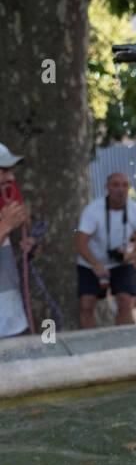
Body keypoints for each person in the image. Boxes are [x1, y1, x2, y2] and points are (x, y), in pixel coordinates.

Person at [76, 172, 136, 328]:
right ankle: (88, 343)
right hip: (90, 263)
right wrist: (95, 264)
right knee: (86, 305)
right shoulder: (93, 210)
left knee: (125, 301)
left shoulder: (134, 209)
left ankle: (123, 341)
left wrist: (132, 256)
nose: (120, 189)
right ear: (107, 187)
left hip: (120, 262)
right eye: (115, 185)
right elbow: (81, 242)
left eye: (124, 185)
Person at [0, 144, 35, 338]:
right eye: (3, 170)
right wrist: (5, 226)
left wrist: (27, 249)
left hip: (12, 321)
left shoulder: (3, 207)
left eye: (10, 170)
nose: (11, 178)